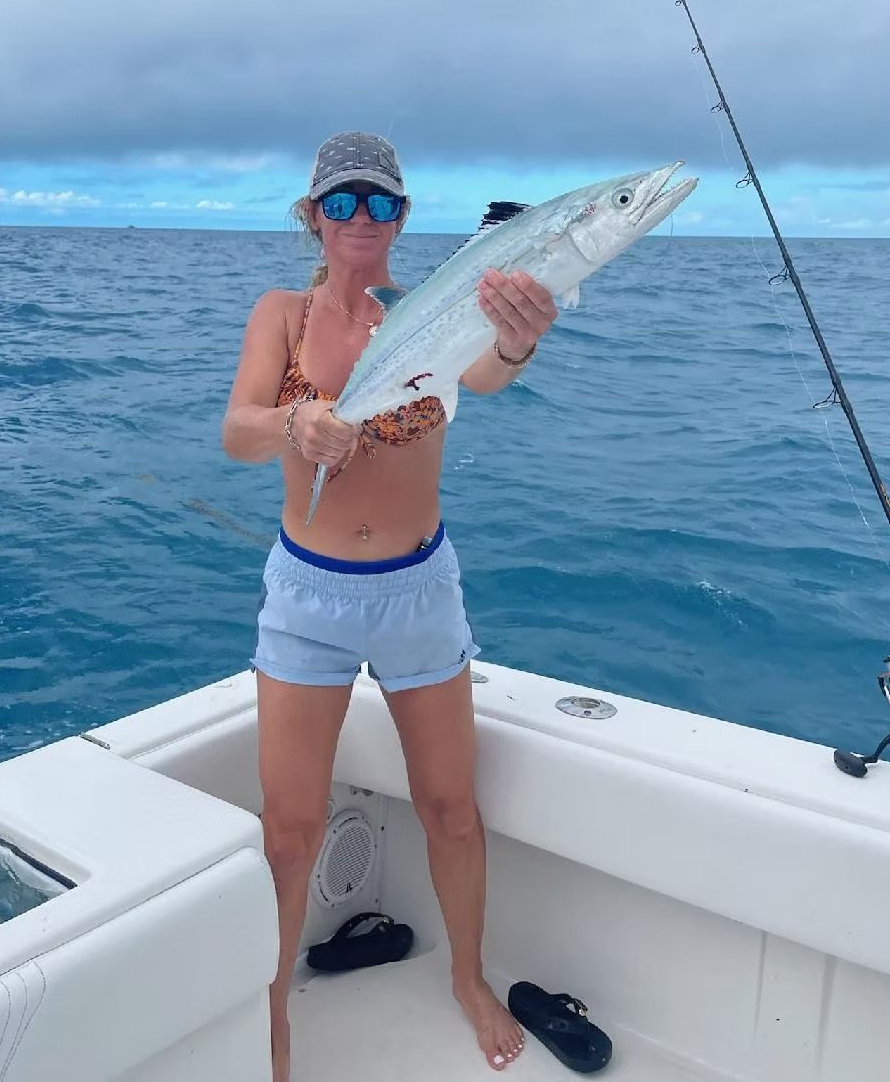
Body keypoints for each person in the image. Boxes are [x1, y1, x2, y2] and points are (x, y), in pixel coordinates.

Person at [222, 132, 559, 1081]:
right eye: (343, 202)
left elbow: (489, 368)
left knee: (452, 808)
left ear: (403, 218)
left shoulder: (434, 310)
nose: (361, 219)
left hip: (418, 592)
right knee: (288, 828)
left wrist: (518, 337)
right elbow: (238, 430)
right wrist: (296, 419)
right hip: (306, 598)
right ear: (312, 217)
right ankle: (276, 1009)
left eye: (380, 203)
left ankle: (466, 978)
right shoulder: (280, 315)